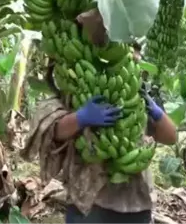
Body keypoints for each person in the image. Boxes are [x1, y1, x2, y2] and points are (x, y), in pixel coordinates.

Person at [21, 75, 177, 224]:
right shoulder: (77, 88)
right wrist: (80, 117)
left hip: (134, 203)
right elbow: (51, 130)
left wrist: (157, 113)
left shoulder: (136, 96)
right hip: (89, 202)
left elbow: (170, 137)